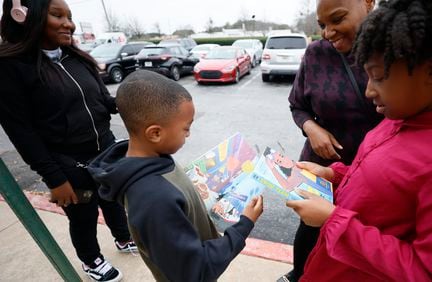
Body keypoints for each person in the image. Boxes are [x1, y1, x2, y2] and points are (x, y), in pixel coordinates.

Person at [286, 0, 432, 280]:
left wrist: (333, 221)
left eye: (376, 77)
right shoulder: (399, 119)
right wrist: (333, 175)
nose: (369, 92)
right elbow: (382, 188)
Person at [0, 0, 136, 281]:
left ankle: (123, 239)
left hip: (107, 152)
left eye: (70, 17)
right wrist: (54, 179)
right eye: (58, 15)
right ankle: (91, 260)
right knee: (83, 216)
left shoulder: (78, 58)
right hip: (70, 166)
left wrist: (130, 102)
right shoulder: (11, 67)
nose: (69, 24)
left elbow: (102, 101)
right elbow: (21, 132)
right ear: (23, 16)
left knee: (113, 202)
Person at [88, 70, 264, 282]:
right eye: (186, 128)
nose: (189, 134)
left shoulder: (154, 157)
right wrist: (245, 224)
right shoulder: (154, 200)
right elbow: (195, 271)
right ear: (155, 133)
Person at [284, 0, 382, 280]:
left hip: (374, 173)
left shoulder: (394, 51)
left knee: (361, 246)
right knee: (310, 234)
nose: (328, 32)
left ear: (368, 3)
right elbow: (297, 105)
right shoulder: (316, 54)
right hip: (325, 168)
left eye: (337, 19)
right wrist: (311, 128)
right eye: (322, 25)